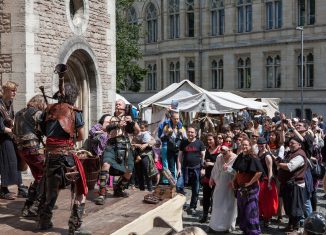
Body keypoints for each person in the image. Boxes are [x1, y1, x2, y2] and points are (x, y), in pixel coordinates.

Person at [38, 78, 89, 235]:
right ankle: (74, 226)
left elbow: (43, 132)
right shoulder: (74, 111)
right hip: (67, 156)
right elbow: (81, 136)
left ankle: (44, 222)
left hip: (51, 156)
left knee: (51, 191)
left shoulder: (48, 110)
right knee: (81, 189)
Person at [94, 99, 140, 205]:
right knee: (105, 165)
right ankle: (102, 193)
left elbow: (137, 131)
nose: (117, 105)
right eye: (116, 104)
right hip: (112, 145)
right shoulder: (109, 118)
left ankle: (118, 189)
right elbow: (104, 128)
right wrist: (117, 125)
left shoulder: (128, 118)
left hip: (126, 147)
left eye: (119, 104)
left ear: (124, 106)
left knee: (129, 172)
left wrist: (131, 121)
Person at [13, 95, 46, 217]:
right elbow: (45, 129)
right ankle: (36, 206)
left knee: (39, 176)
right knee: (47, 174)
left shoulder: (18, 113)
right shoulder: (37, 113)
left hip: (22, 150)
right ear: (40, 103)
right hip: (33, 149)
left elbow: (14, 131)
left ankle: (27, 208)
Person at [0, 81, 28, 200]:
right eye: (12, 90)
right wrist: (13, 131)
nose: (15, 93)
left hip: (10, 136)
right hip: (2, 138)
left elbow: (10, 119)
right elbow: (0, 127)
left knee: (17, 160)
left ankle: (20, 187)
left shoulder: (9, 103)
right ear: (5, 90)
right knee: (8, 162)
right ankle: (3, 189)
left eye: (15, 90)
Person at [232, 138, 263, 235]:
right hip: (241, 187)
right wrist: (234, 180)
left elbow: (259, 172)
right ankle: (245, 230)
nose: (244, 147)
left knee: (251, 210)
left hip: (251, 189)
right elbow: (237, 171)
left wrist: (249, 183)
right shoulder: (240, 156)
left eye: (246, 145)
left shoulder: (253, 157)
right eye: (243, 144)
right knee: (242, 209)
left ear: (250, 146)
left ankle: (253, 232)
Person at [277, 136, 307, 232]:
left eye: (292, 143)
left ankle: (296, 229)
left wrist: (279, 164)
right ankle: (290, 226)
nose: (290, 144)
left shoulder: (300, 155)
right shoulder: (291, 153)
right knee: (289, 207)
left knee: (296, 208)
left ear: (299, 145)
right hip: (288, 184)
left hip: (296, 185)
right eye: (290, 143)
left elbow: (290, 167)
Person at [176, 125, 205, 216]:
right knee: (179, 186)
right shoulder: (183, 142)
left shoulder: (200, 143)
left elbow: (203, 156)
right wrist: (179, 169)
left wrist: (203, 168)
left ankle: (192, 207)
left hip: (196, 168)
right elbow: (179, 157)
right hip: (185, 169)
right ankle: (182, 204)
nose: (190, 133)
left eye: (192, 132)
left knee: (195, 190)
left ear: (195, 134)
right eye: (188, 132)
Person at [208, 144, 237, 232]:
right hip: (220, 183)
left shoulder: (236, 158)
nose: (223, 154)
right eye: (222, 152)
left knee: (229, 205)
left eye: (225, 152)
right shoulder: (219, 157)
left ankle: (227, 226)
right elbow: (215, 169)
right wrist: (211, 178)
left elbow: (238, 172)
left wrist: (228, 169)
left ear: (230, 150)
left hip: (230, 183)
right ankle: (214, 225)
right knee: (217, 203)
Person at [158, 111, 187, 182]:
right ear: (171, 118)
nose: (176, 120)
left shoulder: (181, 128)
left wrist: (182, 134)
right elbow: (161, 138)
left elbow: (186, 140)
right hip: (170, 150)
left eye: (178, 119)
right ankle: (173, 185)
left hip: (179, 151)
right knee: (171, 168)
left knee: (179, 167)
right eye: (175, 119)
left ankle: (180, 185)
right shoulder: (166, 127)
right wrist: (168, 134)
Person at [257, 137, 278, 227]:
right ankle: (262, 217)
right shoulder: (259, 153)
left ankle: (267, 219)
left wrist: (269, 182)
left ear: (265, 144)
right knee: (260, 199)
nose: (260, 146)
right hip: (260, 179)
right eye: (259, 144)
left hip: (266, 180)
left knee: (267, 201)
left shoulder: (267, 156)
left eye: (262, 144)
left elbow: (270, 170)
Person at [199, 133, 220, 223]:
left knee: (215, 198)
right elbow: (205, 162)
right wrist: (203, 167)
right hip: (207, 177)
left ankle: (214, 216)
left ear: (215, 140)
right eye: (208, 140)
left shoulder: (220, 150)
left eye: (210, 139)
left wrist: (211, 164)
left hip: (217, 178)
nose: (209, 141)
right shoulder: (207, 150)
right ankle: (205, 215)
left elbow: (222, 165)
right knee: (206, 197)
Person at [133, 120, 157, 192]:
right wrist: (138, 145)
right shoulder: (135, 135)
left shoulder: (148, 135)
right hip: (138, 155)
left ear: (146, 128)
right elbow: (132, 144)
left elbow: (153, 141)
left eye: (142, 128)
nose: (141, 130)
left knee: (147, 172)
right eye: (139, 128)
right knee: (139, 173)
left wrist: (146, 144)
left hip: (146, 155)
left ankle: (150, 189)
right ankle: (141, 189)